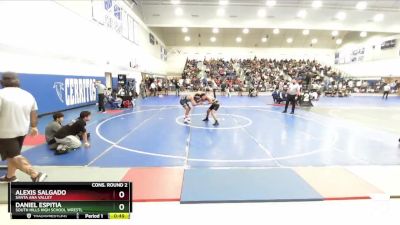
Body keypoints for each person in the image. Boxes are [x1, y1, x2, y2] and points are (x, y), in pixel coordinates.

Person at [0, 72, 47, 182]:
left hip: (5, 132)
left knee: (13, 156)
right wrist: (34, 126)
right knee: (13, 155)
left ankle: (35, 174)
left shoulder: (1, 94)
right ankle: (10, 176)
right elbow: (33, 112)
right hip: (22, 130)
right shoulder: (28, 94)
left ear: (2, 82)